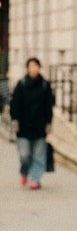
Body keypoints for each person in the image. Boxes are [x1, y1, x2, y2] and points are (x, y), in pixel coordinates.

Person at [9, 57, 54, 189]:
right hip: (23, 127)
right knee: (25, 155)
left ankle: (35, 179)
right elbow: (14, 103)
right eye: (31, 66)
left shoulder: (45, 85)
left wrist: (49, 123)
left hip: (40, 126)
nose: (33, 69)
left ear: (39, 68)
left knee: (38, 155)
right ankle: (24, 172)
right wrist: (15, 120)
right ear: (27, 68)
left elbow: (49, 105)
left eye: (35, 66)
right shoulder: (21, 84)